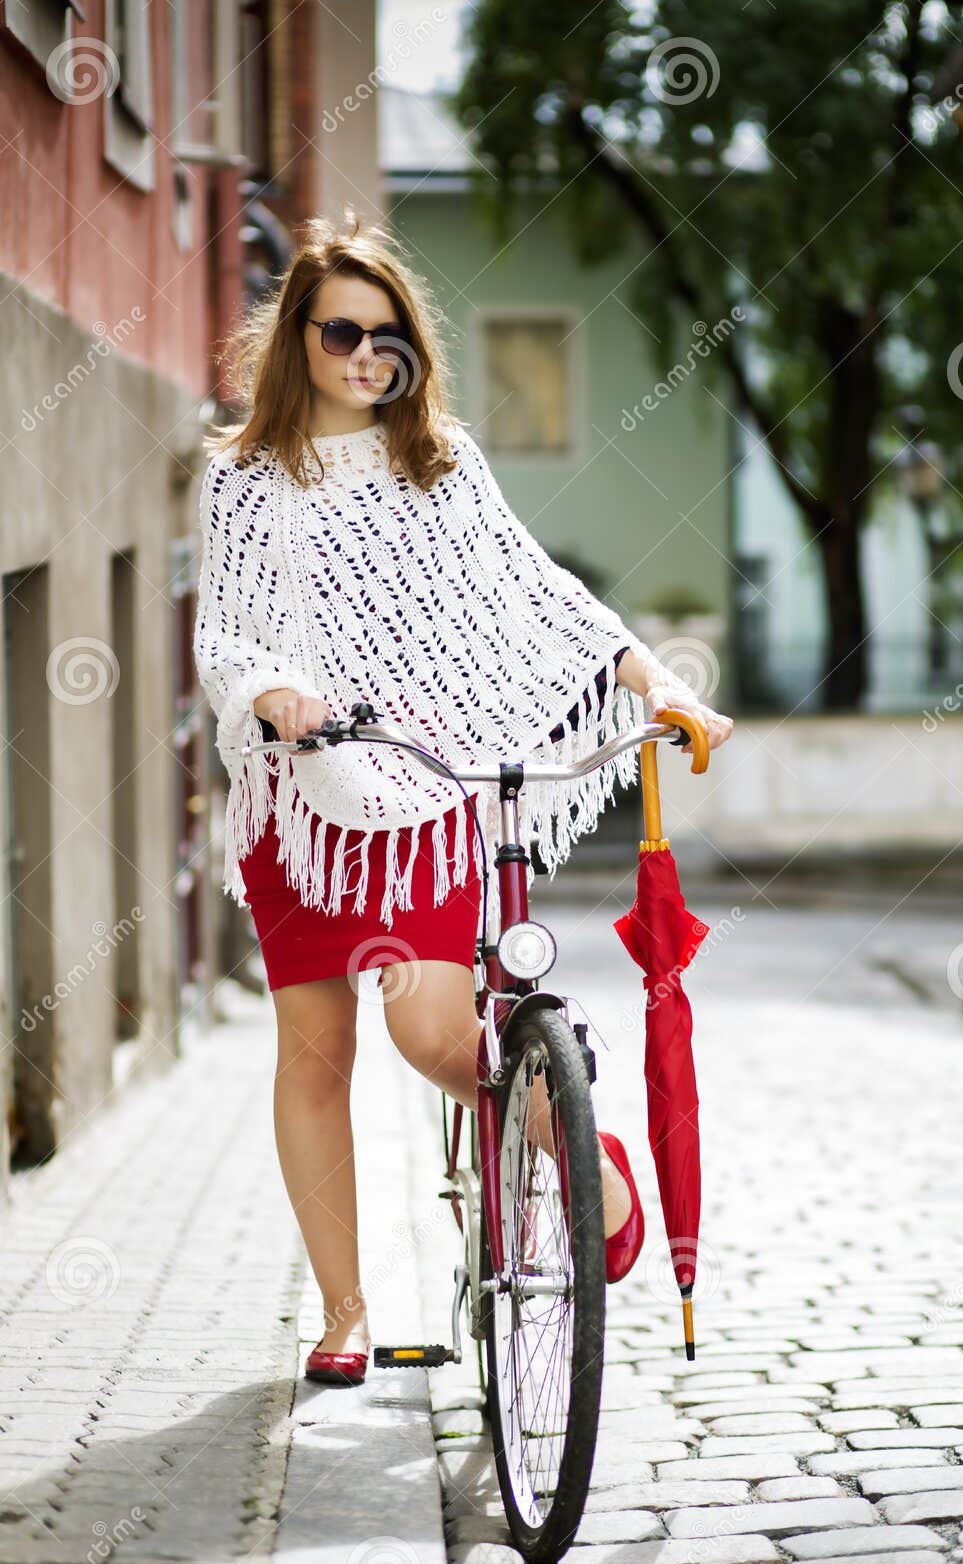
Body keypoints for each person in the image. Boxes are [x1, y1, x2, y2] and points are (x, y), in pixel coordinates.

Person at [193, 210, 733, 1385]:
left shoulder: (442, 463)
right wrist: (274, 688)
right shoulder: (240, 476)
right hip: (302, 803)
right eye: (342, 332)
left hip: (431, 794)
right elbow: (224, 629)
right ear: (298, 335)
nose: (366, 356)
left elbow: (542, 598)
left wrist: (656, 684)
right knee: (313, 1052)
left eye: (388, 336)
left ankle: (578, 1148)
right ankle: (343, 1314)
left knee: (436, 1032)